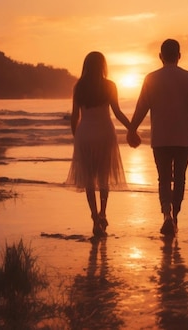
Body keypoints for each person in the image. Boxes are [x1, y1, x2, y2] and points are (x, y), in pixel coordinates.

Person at [127, 39, 188, 236]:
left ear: (160, 56)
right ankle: (176, 217)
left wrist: (132, 129)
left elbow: (141, 108)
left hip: (160, 138)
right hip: (183, 138)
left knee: (163, 179)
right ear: (179, 55)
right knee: (179, 179)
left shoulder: (151, 78)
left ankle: (166, 216)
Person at [66, 51, 131, 237]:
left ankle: (94, 218)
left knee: (88, 180)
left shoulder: (79, 87)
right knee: (103, 177)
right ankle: (103, 212)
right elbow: (117, 112)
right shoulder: (109, 85)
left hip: (85, 134)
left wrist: (76, 137)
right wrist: (131, 128)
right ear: (103, 65)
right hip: (104, 133)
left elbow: (74, 116)